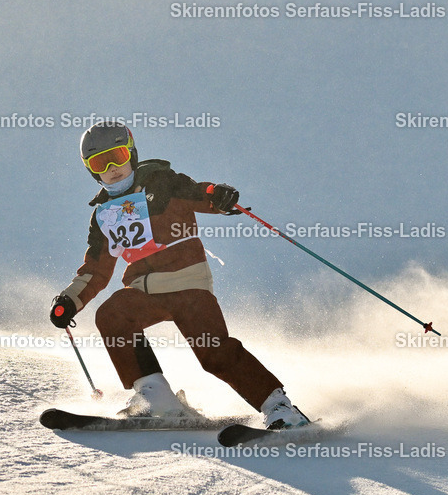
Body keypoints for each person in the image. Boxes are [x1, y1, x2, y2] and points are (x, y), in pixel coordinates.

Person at [49, 122, 309, 429]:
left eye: (117, 156)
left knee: (214, 353)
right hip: (143, 293)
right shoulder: (104, 213)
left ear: (131, 154)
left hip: (188, 286)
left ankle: (280, 408)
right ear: (91, 170)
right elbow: (96, 269)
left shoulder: (162, 182)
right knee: (112, 314)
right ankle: (156, 398)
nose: (111, 168)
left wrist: (218, 195)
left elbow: (199, 193)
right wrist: (70, 300)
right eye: (99, 163)